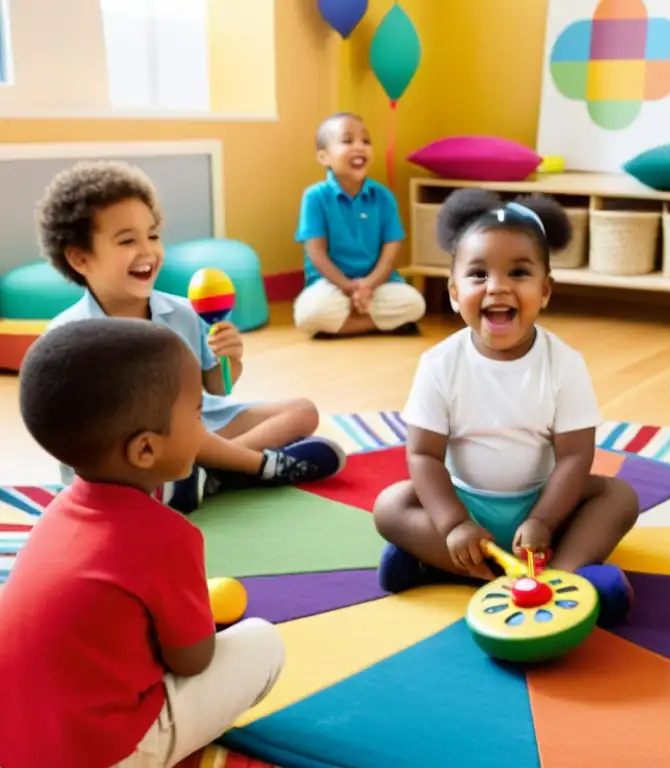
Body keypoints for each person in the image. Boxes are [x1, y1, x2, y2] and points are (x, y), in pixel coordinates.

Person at [0, 318, 286, 768]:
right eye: (196, 413)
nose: (204, 427)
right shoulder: (167, 537)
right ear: (146, 450)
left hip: (18, 745)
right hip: (106, 752)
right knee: (264, 643)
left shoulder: (54, 515)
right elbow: (193, 660)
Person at [373, 189, 640, 626]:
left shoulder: (564, 364)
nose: (497, 286)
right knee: (390, 505)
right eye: (478, 275)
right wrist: (454, 523)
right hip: (467, 505)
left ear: (545, 290)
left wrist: (544, 520)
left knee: (618, 495)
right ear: (455, 293)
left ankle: (560, 577)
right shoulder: (440, 364)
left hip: (545, 501)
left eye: (518, 272)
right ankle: (500, 571)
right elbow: (423, 455)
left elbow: (575, 457)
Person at [36, 160, 346, 512]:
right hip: (133, 450)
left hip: (199, 427)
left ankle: (207, 475)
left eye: (152, 235)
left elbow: (217, 388)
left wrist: (230, 359)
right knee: (173, 431)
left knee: (302, 411)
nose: (147, 250)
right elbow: (84, 436)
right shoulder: (70, 337)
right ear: (79, 259)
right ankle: (257, 467)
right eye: (126, 240)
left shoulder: (183, 312)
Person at [293, 112, 426, 337]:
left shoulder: (383, 196)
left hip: (378, 285)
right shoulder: (315, 197)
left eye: (366, 141)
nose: (359, 146)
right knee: (308, 313)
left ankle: (343, 327)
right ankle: (378, 324)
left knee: (415, 304)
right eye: (347, 141)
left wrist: (368, 286)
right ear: (324, 157)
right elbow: (316, 253)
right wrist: (348, 287)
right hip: (331, 285)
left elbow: (390, 251)